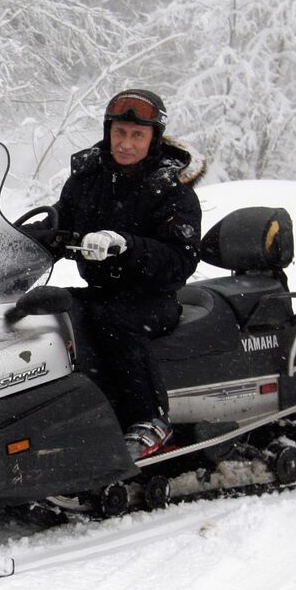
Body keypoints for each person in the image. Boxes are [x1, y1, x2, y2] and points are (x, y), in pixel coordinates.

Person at [52, 88, 204, 460]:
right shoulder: (88, 179)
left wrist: (129, 246)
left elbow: (181, 260)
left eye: (137, 135)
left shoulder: (171, 189)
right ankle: (73, 411)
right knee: (54, 311)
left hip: (153, 298)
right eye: (119, 132)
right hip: (102, 288)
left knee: (115, 320)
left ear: (153, 139)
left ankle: (151, 419)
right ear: (108, 132)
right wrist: (26, 237)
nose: (126, 144)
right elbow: (60, 221)